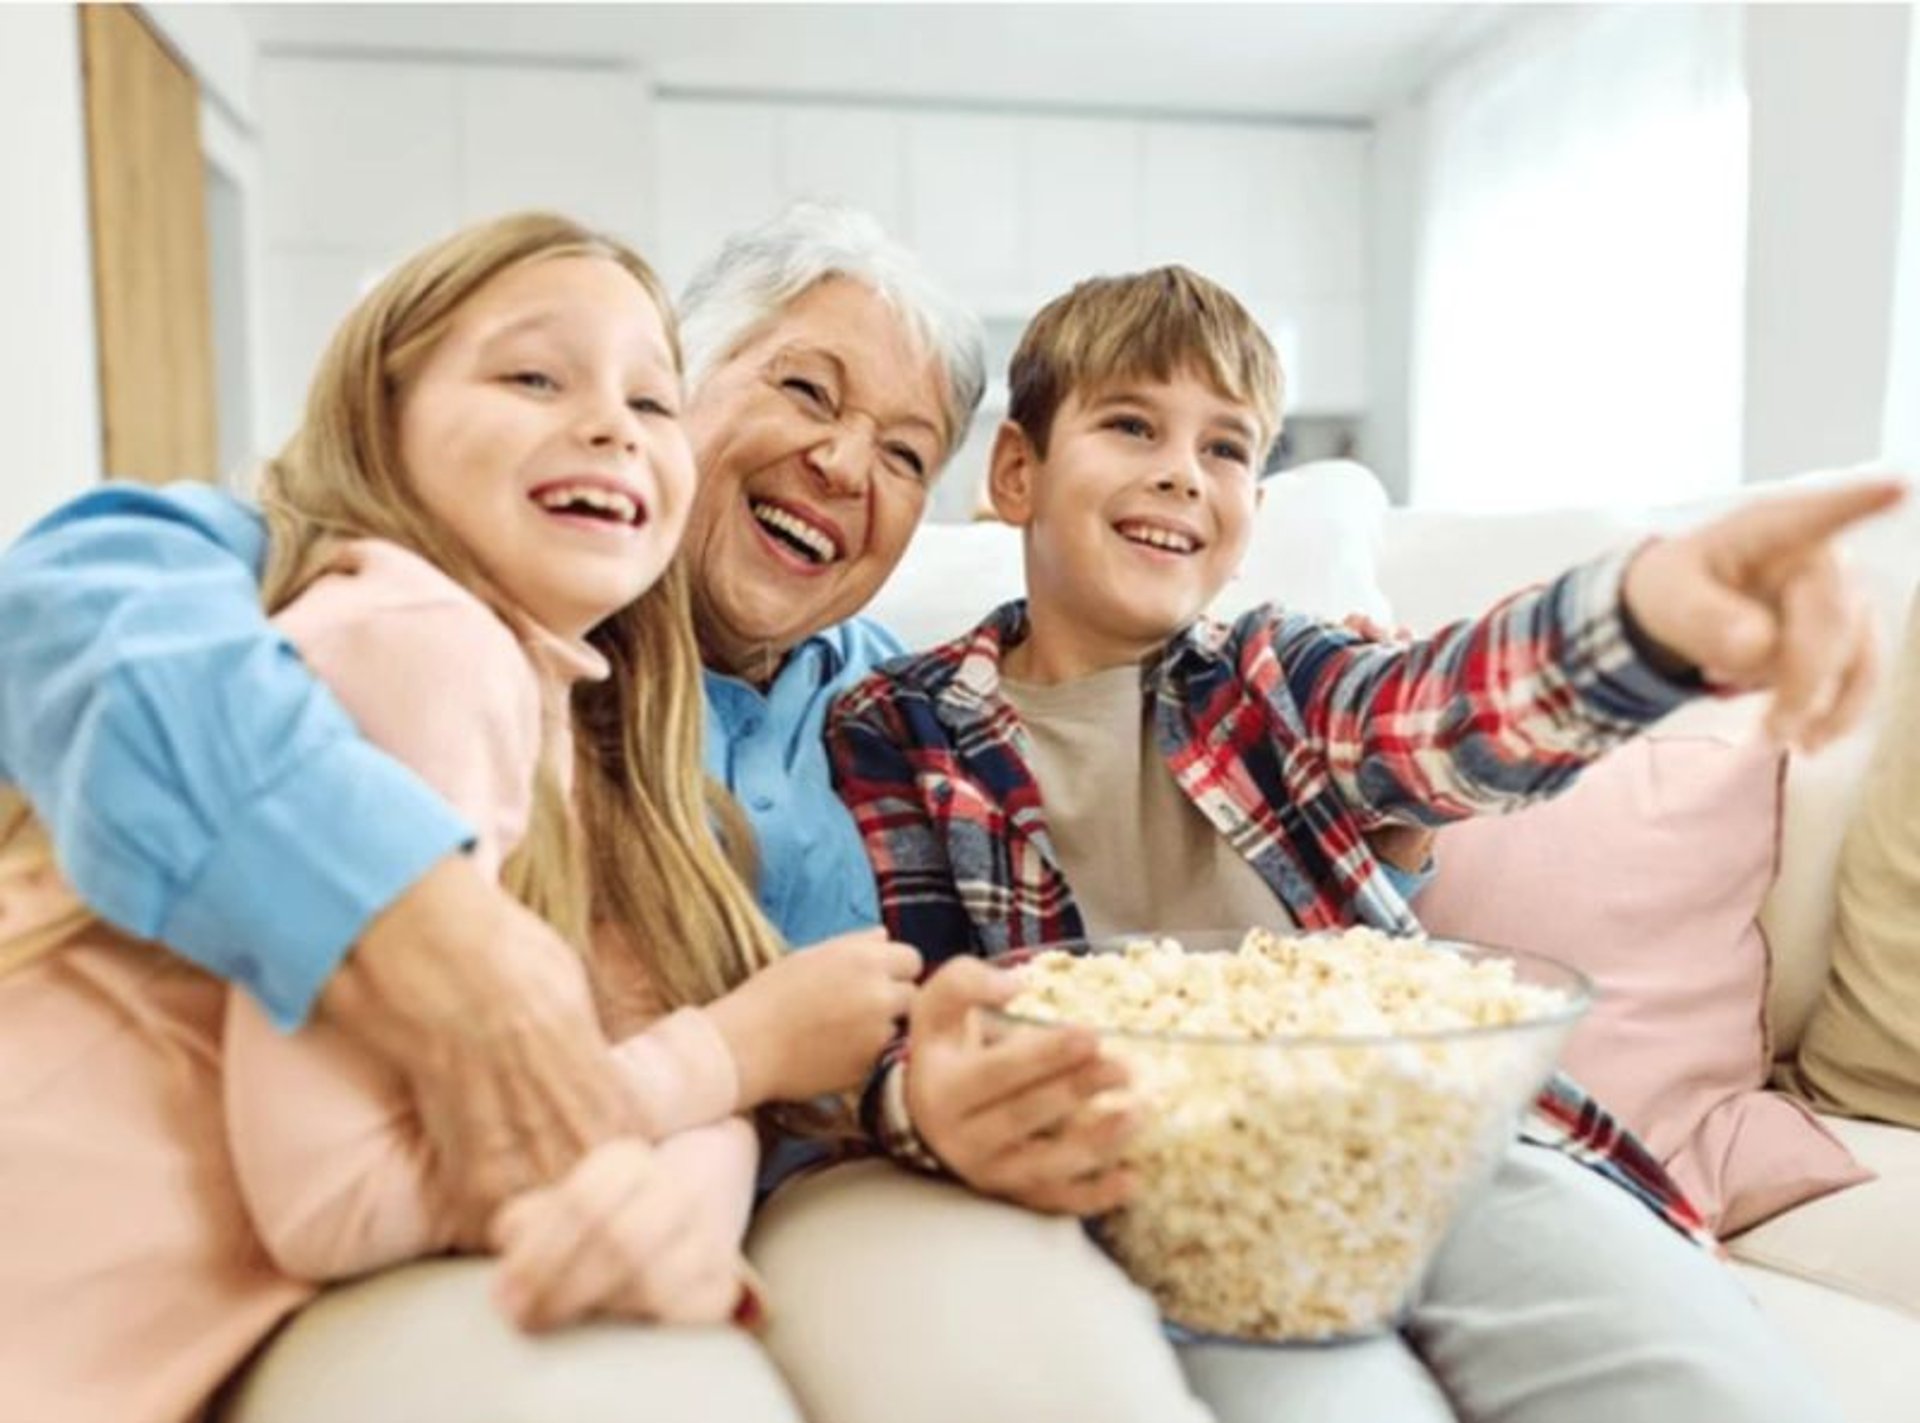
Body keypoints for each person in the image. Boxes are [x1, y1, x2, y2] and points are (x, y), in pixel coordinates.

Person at [0, 206, 1232, 1423]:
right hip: (429, 1195)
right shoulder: (419, 592)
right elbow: (66, 607)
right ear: (687, 387)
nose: (846, 465)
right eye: (805, 390)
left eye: (906, 456)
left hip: (756, 1169)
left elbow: (864, 1014)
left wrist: (907, 1095)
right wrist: (399, 907)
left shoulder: (904, 710)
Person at [824, 265, 1897, 1421]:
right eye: (1131, 424)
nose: (1183, 470)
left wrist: (1646, 619)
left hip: (1441, 1136)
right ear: (1016, 472)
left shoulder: (1271, 673)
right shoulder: (899, 728)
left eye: (1226, 447)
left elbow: (1440, 714)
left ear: (1250, 517)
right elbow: (908, 1006)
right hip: (1173, 1195)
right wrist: (922, 1097)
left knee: (1705, 1381)